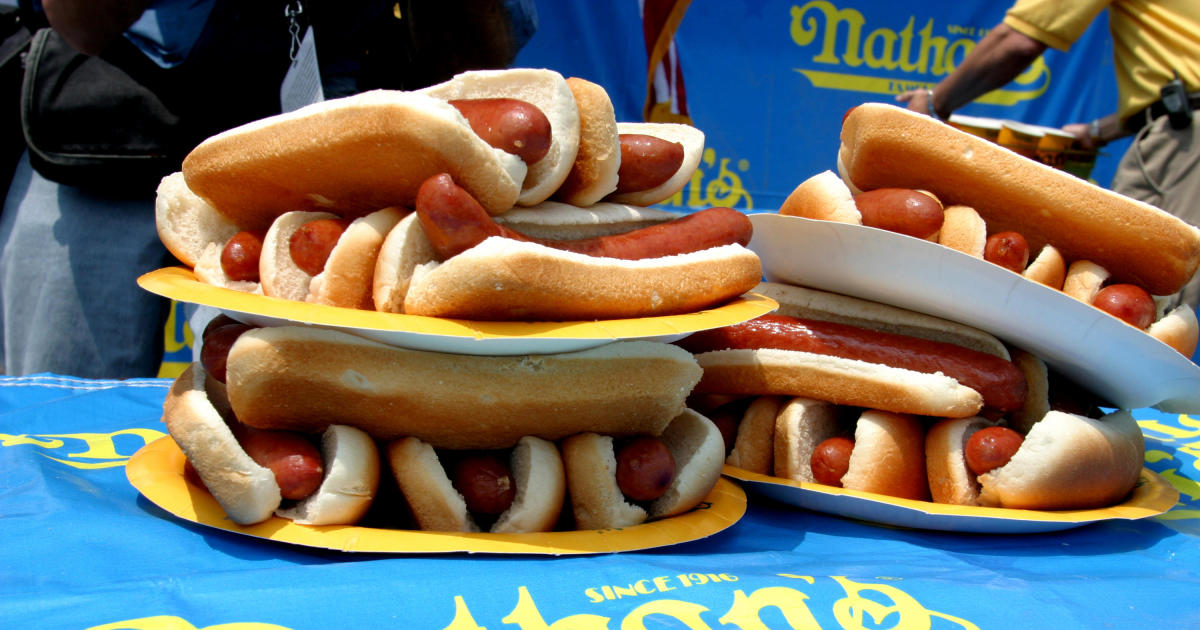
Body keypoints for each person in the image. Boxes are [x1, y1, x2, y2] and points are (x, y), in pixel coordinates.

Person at [0, 0, 536, 378]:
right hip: (101, 141)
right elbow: (79, 22)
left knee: (263, 396)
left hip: (311, 165)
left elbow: (479, 56)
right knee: (54, 409)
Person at [896, 0, 1200, 311]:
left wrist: (934, 104)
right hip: (1176, 121)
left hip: (1187, 137)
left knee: (1155, 287)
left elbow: (1018, 41)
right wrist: (1098, 132)